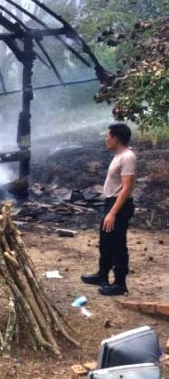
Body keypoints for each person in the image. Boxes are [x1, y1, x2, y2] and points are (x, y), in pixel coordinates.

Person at [81, 123, 137, 296]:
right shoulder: (119, 155)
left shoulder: (127, 157)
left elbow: (126, 188)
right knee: (106, 241)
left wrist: (113, 212)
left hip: (119, 205)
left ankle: (120, 284)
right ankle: (102, 275)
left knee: (117, 244)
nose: (106, 139)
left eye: (108, 136)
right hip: (111, 202)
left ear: (116, 139)